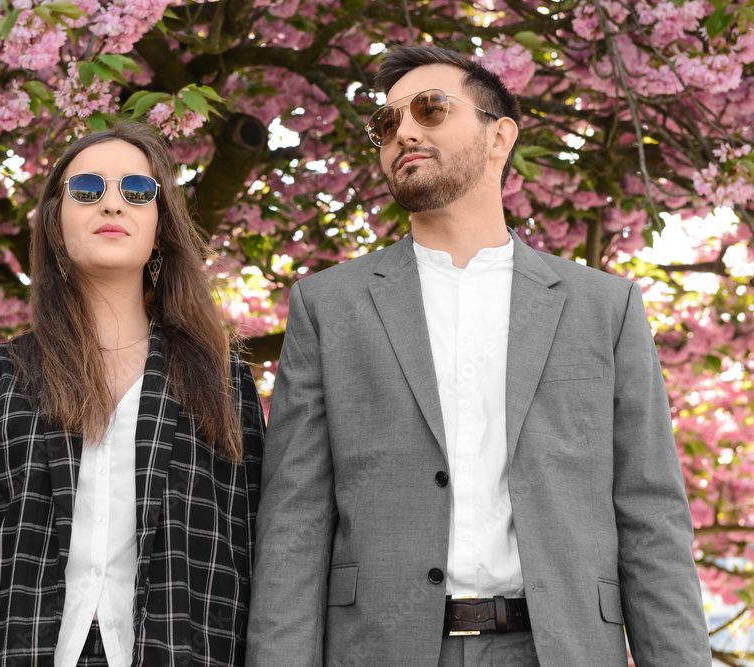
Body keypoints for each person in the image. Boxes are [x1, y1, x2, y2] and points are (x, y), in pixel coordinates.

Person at [246, 46, 709, 666]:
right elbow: (294, 524)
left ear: (500, 136)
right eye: (386, 124)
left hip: (560, 649)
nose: (403, 131)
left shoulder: (606, 307)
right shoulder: (328, 307)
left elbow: (651, 517)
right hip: (381, 650)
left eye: (431, 109)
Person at [0, 122, 265, 667]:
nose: (113, 204)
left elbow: (251, 554)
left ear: (159, 227)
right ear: (55, 222)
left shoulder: (222, 382)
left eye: (137, 191)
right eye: (88, 189)